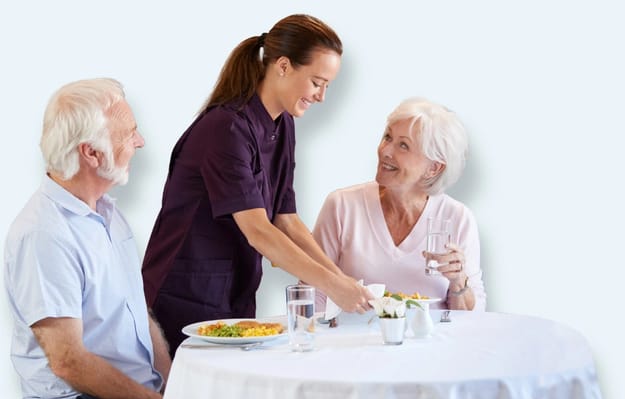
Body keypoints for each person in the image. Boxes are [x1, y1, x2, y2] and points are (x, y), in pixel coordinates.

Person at [141, 14, 372, 355]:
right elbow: (259, 231)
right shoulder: (226, 128)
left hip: (234, 290)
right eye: (317, 82)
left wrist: (340, 279)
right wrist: (333, 286)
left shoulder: (283, 125)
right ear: (282, 66)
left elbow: (286, 219)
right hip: (186, 291)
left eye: (328, 85)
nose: (322, 96)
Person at [3, 78, 171, 399]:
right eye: (128, 133)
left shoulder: (107, 213)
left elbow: (137, 311)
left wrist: (170, 382)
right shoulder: (44, 234)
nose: (140, 141)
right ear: (91, 153)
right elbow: (69, 362)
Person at [313, 97, 486, 312]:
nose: (385, 151)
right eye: (387, 137)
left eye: (403, 145)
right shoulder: (342, 206)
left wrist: (459, 281)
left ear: (433, 168)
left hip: (432, 345)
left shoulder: (457, 218)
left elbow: (474, 318)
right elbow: (314, 293)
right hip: (355, 343)